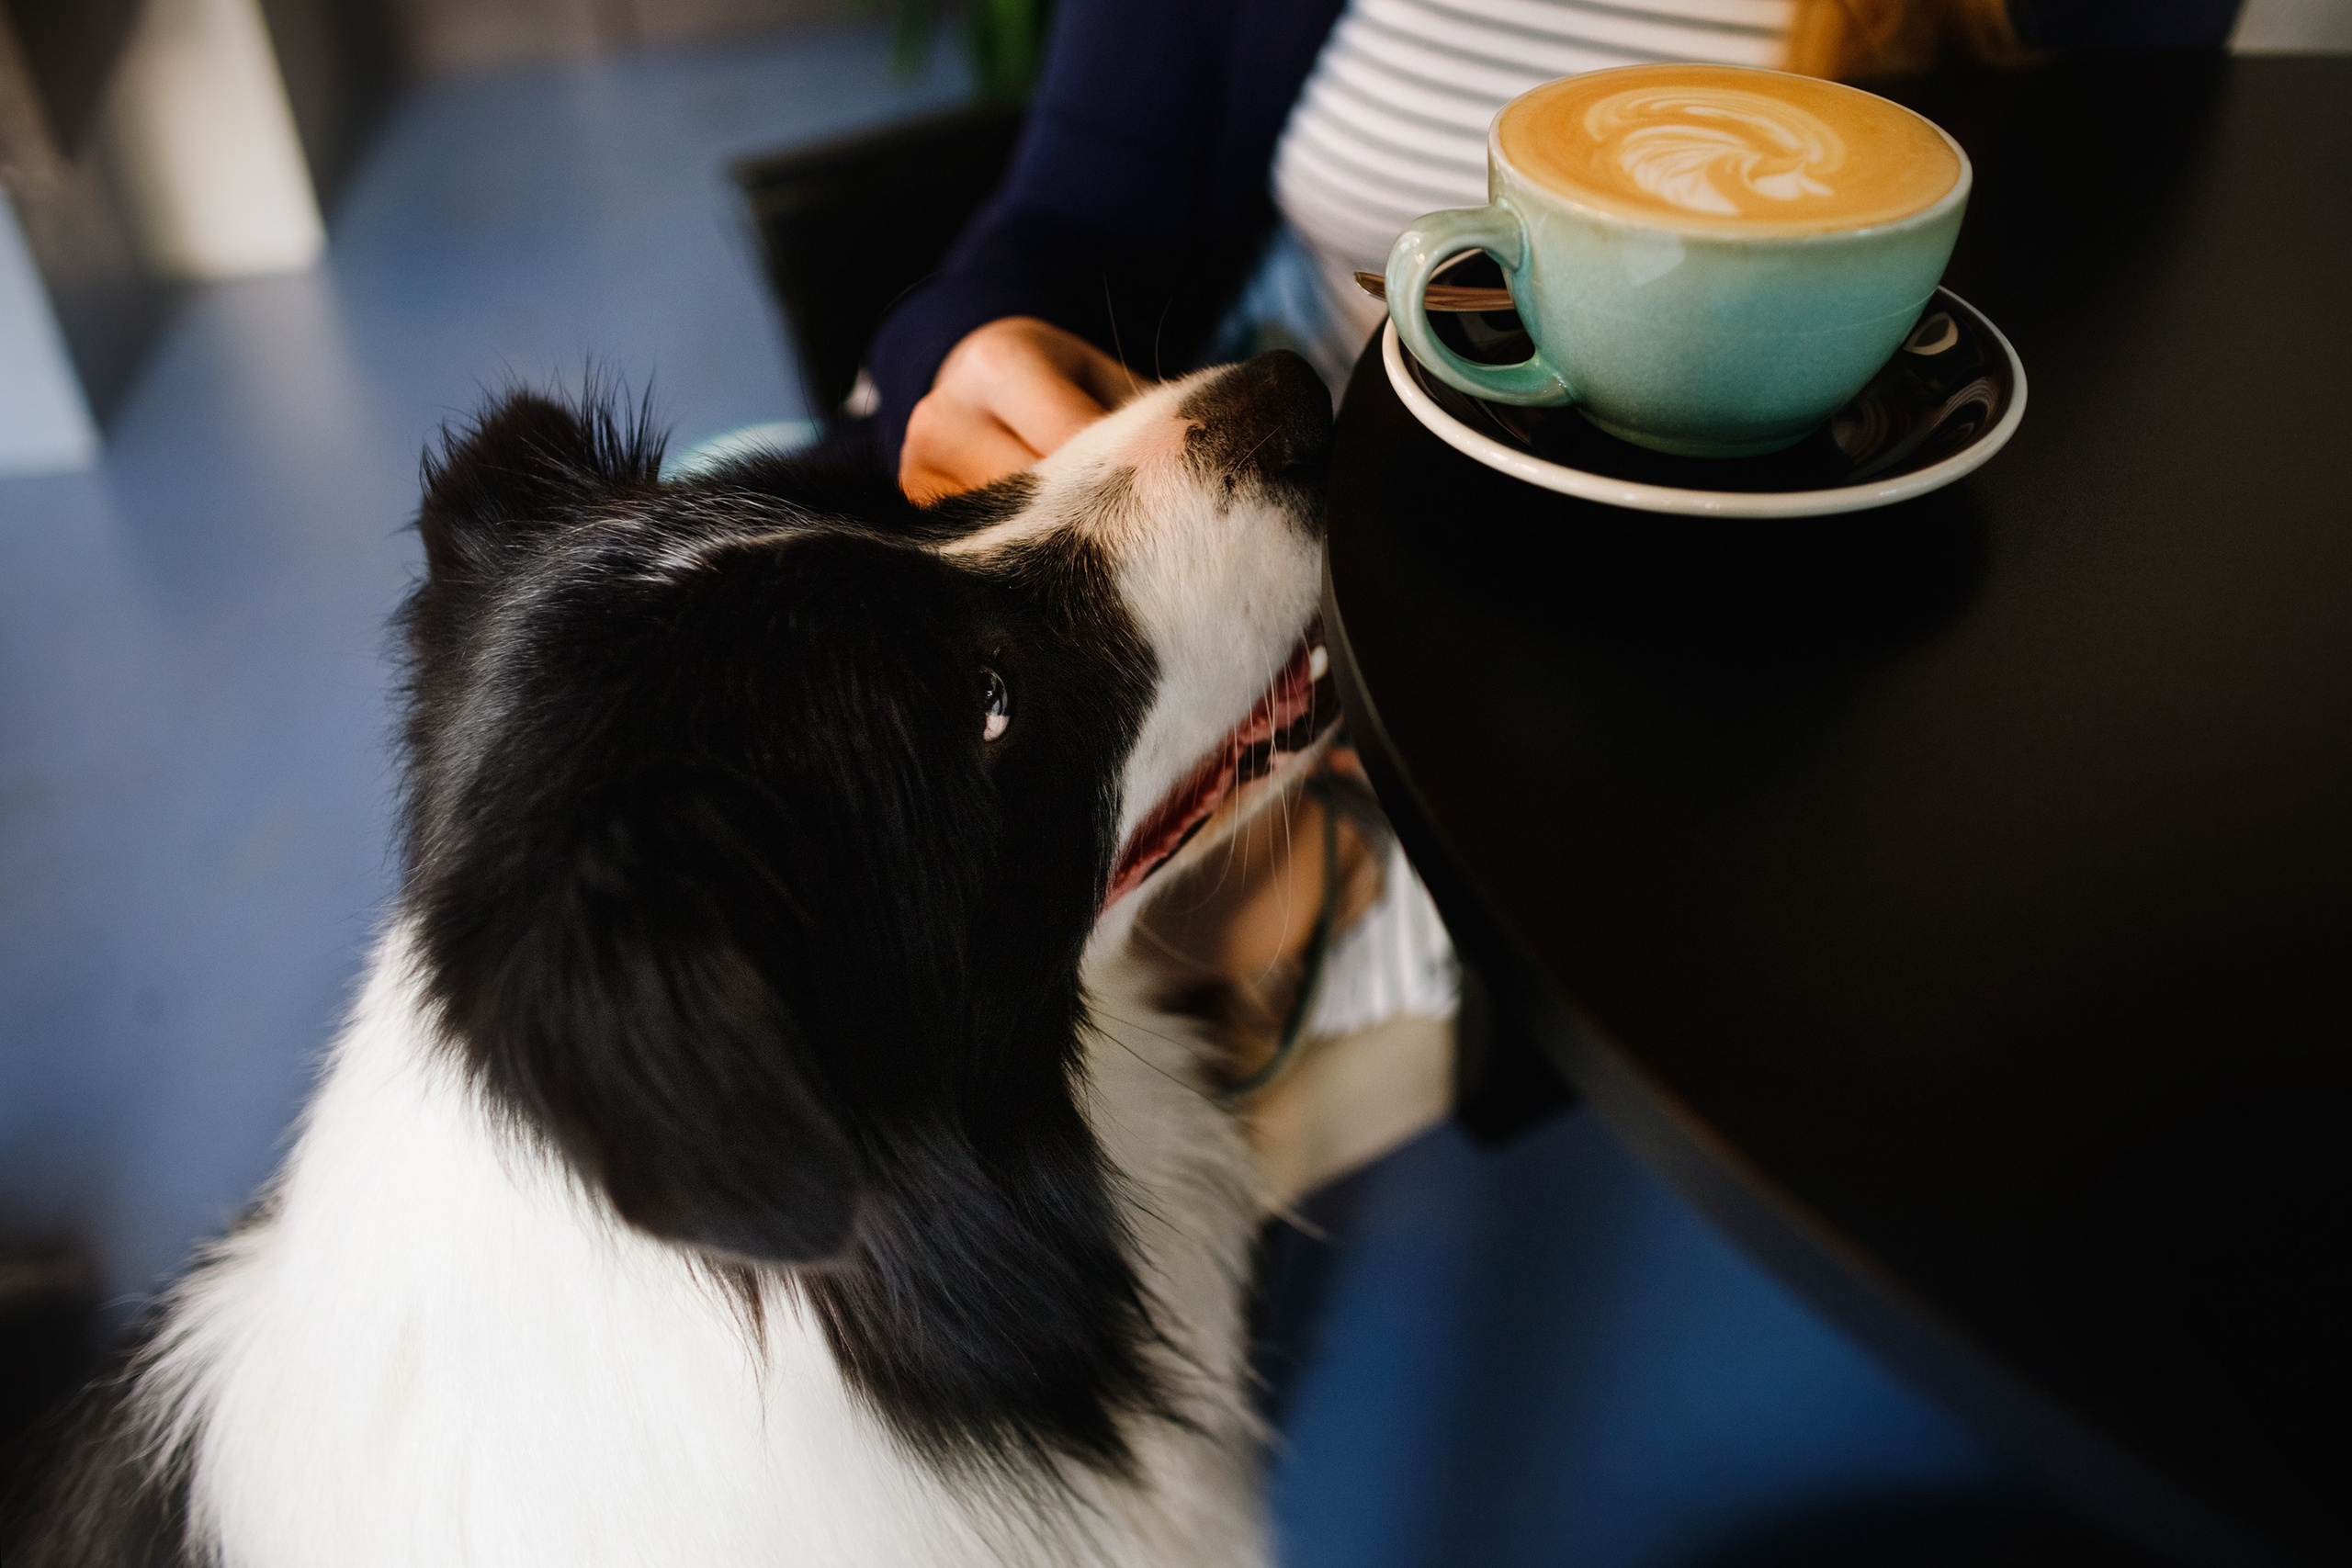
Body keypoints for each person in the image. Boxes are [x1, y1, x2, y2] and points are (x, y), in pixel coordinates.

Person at [864, 4, 2244, 1563]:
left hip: (1840, 724)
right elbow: (1057, 230)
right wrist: (967, 353)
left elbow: (2140, 300)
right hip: (1320, 651)